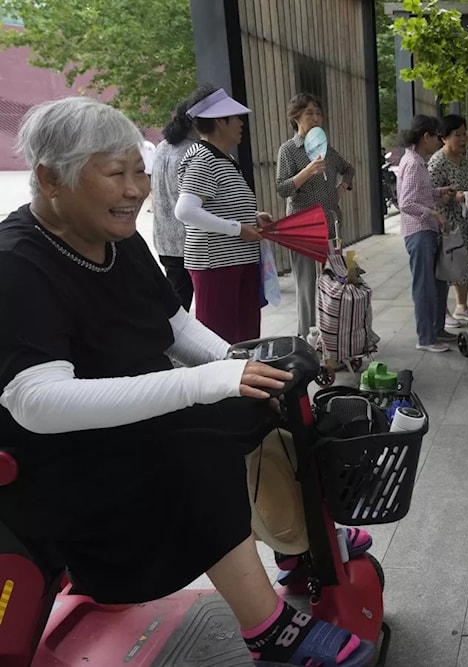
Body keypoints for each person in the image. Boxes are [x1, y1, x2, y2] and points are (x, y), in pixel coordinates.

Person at [0, 97, 374, 667]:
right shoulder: (16, 264)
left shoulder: (118, 240)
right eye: (116, 174)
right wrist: (205, 384)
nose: (137, 190)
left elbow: (172, 324)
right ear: (51, 178)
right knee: (200, 450)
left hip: (130, 427)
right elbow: (37, 402)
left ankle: (296, 544)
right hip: (59, 461)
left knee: (263, 403)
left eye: (140, 173)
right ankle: (268, 630)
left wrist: (243, 366)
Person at [174, 85, 270, 344]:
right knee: (219, 339)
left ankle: (240, 382)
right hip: (216, 264)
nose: (241, 123)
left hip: (236, 261)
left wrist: (253, 217)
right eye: (236, 118)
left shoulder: (222, 158)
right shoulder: (203, 159)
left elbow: (219, 205)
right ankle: (219, 385)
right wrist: (238, 229)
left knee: (244, 335)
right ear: (219, 121)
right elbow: (185, 210)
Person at [275, 92, 355, 343]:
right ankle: (307, 338)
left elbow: (348, 169)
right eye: (309, 113)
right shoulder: (288, 150)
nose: (316, 118)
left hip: (331, 223)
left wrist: (343, 188)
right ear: (295, 117)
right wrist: (307, 172)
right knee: (307, 285)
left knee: (335, 280)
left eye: (318, 113)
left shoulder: (328, 150)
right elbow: (282, 189)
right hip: (302, 225)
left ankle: (332, 334)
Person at [397, 114, 454, 353]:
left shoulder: (418, 161)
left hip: (426, 232)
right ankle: (426, 337)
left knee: (437, 283)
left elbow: (422, 192)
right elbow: (407, 202)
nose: (439, 143)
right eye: (436, 137)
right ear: (426, 137)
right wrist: (434, 214)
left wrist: (441, 192)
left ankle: (436, 329)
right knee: (424, 286)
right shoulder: (413, 163)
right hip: (418, 232)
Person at [428, 114, 468, 326]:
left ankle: (461, 306)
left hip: (465, 221)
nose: (463, 139)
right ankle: (443, 313)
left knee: (464, 262)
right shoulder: (438, 162)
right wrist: (454, 196)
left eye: (464, 134)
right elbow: (430, 193)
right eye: (458, 135)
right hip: (448, 222)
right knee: (448, 265)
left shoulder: (463, 161)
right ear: (444, 137)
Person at [151, 98, 197, 310]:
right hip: (186, 243)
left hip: (164, 239)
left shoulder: (161, 147)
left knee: (177, 300)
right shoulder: (193, 152)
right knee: (180, 309)